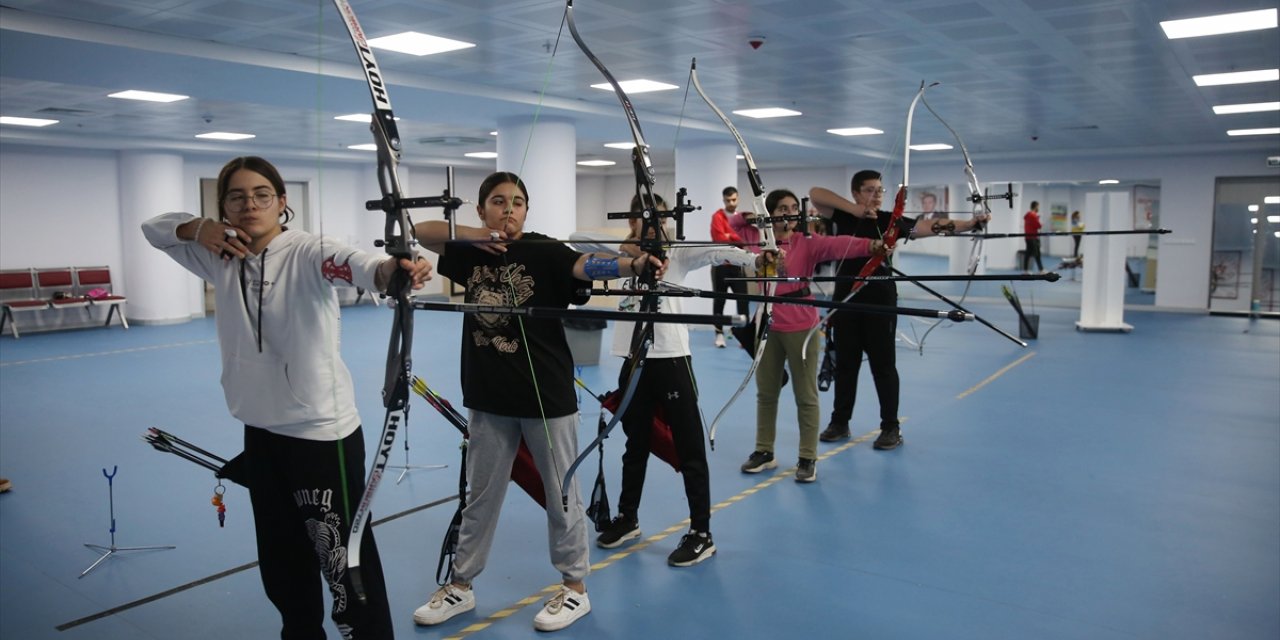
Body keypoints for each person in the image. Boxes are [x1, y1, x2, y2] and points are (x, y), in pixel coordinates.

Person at [142, 155, 431, 640]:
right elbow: (154, 228)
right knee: (281, 555)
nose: (249, 204)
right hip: (260, 430)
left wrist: (391, 272)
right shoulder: (218, 251)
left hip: (321, 434)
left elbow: (357, 265)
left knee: (342, 557)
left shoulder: (306, 251)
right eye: (236, 196)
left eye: (261, 195)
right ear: (223, 207)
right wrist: (197, 228)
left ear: (282, 202)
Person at [409, 172, 663, 633]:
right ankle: (461, 585)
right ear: (481, 209)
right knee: (480, 496)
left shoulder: (544, 250)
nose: (509, 210)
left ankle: (574, 589)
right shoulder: (470, 253)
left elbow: (587, 266)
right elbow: (421, 232)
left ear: (528, 211)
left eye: (518, 203)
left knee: (561, 493)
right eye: (499, 202)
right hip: (488, 396)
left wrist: (634, 266)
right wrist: (477, 237)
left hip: (546, 397)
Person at [578, 193, 758, 566]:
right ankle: (628, 518)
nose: (657, 223)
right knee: (635, 444)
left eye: (662, 217)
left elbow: (715, 252)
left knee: (690, 446)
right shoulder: (624, 261)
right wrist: (630, 251)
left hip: (671, 359)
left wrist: (757, 259)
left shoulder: (677, 253)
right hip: (633, 360)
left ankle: (701, 532)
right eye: (648, 217)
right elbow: (577, 239)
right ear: (632, 221)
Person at [809, 170, 989, 450]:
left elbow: (930, 226)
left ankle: (890, 427)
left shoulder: (889, 221)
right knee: (846, 365)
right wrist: (856, 209)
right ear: (856, 192)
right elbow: (816, 193)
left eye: (880, 190)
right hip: (845, 300)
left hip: (880, 301)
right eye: (869, 190)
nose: (877, 195)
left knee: (883, 366)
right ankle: (840, 422)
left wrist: (969, 223)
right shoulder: (843, 217)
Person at [736, 189, 888, 482]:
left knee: (805, 395)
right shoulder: (757, 244)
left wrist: (872, 245)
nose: (790, 213)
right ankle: (764, 451)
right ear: (770, 214)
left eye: (794, 208)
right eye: (782, 209)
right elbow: (734, 239)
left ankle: (807, 457)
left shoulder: (806, 242)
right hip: (767, 324)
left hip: (801, 326)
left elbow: (838, 244)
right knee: (766, 393)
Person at [709, 186, 749, 348]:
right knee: (719, 301)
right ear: (723, 200)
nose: (731, 203)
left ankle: (744, 335)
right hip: (721, 265)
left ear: (738, 198)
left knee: (743, 301)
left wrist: (730, 236)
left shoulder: (742, 218)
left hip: (738, 265)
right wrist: (734, 237)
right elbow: (719, 238)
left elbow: (744, 239)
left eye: (733, 199)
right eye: (728, 200)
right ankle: (719, 334)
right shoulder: (717, 216)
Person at [1023, 201, 1044, 273]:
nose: (1038, 208)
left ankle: (1026, 270)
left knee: (1028, 254)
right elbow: (1039, 225)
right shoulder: (1033, 215)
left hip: (1028, 237)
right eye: (1038, 206)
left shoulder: (1028, 215)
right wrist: (1038, 220)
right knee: (1037, 254)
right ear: (1035, 206)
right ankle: (1041, 270)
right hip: (1033, 237)